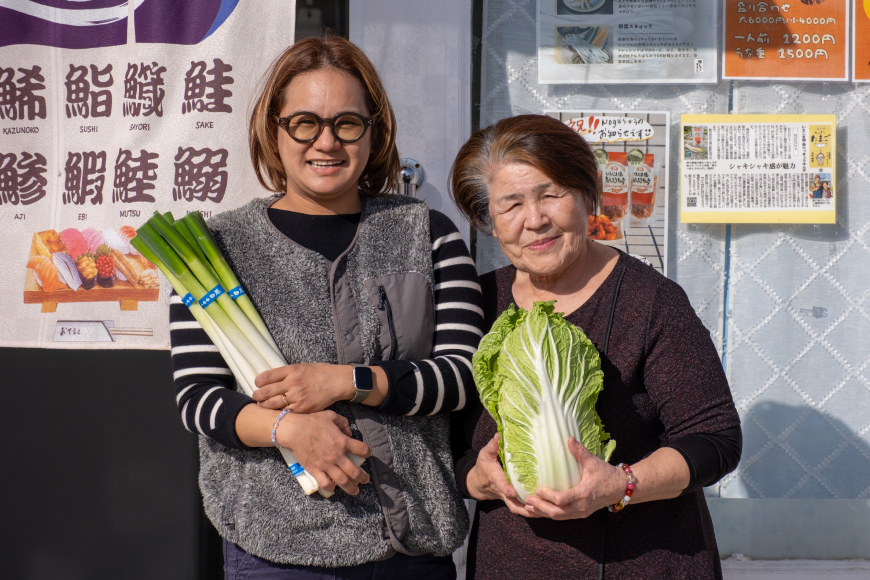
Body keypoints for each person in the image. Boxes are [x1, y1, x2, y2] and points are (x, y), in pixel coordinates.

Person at [169, 36, 483, 579]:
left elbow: (463, 375)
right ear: (274, 130)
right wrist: (284, 429)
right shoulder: (217, 248)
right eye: (305, 122)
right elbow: (198, 398)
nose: (327, 142)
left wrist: (347, 381)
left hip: (411, 546)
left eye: (347, 123)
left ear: (373, 131)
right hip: (276, 547)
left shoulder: (428, 235)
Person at [448, 115, 742, 579]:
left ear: (588, 195)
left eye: (551, 193)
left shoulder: (651, 301)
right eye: (511, 205)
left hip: (646, 562)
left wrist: (622, 484)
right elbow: (444, 445)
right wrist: (477, 479)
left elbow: (716, 440)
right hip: (512, 564)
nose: (535, 219)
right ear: (490, 221)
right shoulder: (475, 302)